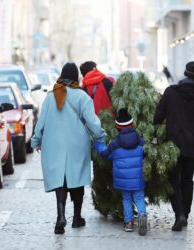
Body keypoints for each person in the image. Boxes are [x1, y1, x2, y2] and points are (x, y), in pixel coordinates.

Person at [31, 62, 107, 234]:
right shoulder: (82, 97)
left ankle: (60, 216)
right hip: (77, 144)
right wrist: (101, 137)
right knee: (76, 178)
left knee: (60, 180)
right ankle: (77, 218)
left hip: (54, 145)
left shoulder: (50, 97)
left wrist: (36, 141)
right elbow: (93, 123)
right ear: (76, 78)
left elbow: (40, 124)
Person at [153, 61, 194, 232]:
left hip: (172, 146)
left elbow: (157, 117)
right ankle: (185, 215)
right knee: (187, 181)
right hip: (192, 146)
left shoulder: (171, 92)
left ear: (184, 73)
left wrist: (154, 136)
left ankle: (179, 214)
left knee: (173, 180)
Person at [94, 108, 148, 236]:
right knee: (139, 197)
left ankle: (128, 223)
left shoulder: (115, 144)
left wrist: (98, 144)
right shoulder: (141, 141)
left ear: (118, 128)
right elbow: (147, 154)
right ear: (132, 125)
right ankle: (142, 214)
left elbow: (105, 155)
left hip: (123, 179)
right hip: (138, 177)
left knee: (126, 198)